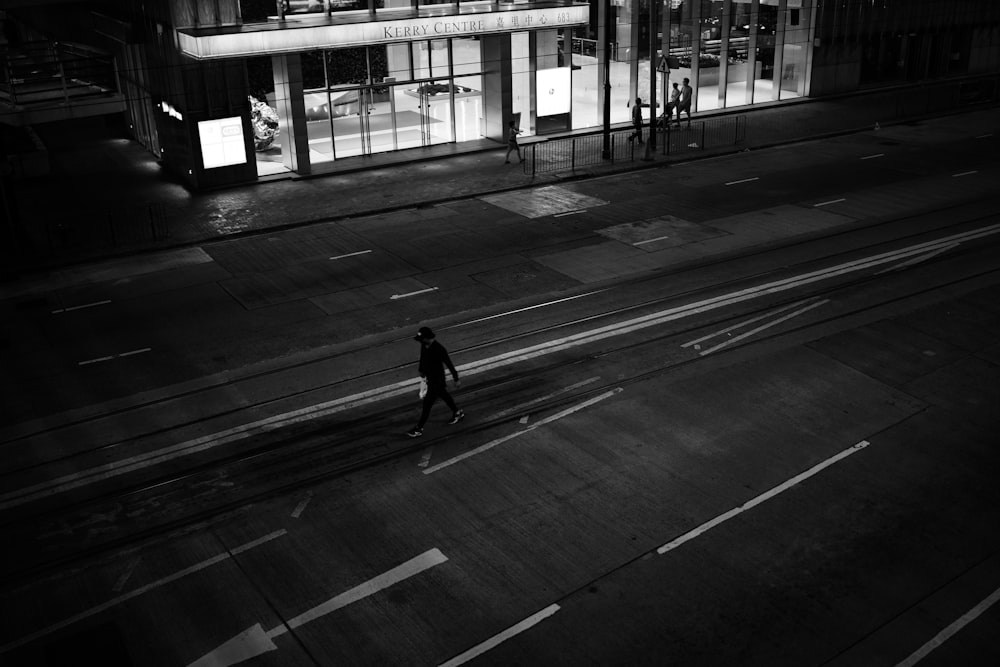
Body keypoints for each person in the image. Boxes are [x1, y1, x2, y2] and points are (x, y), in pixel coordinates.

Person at [407, 326, 464, 438]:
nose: (420, 341)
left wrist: (456, 378)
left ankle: (419, 428)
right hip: (430, 378)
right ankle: (457, 412)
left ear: (427, 337)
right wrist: (421, 370)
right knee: (444, 396)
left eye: (422, 339)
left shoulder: (439, 349)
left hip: (437, 380)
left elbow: (449, 364)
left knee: (427, 404)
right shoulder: (424, 344)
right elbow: (423, 358)